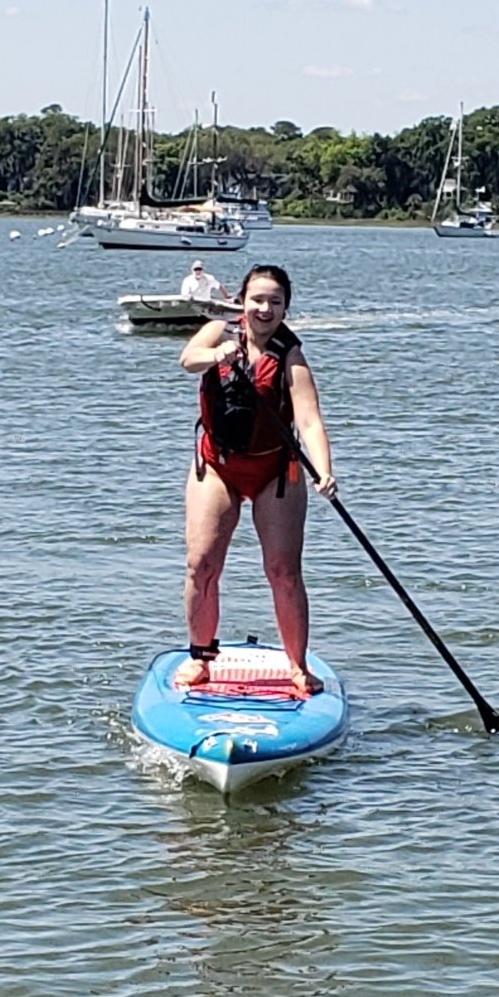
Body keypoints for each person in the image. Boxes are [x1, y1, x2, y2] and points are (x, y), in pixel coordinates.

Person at [173, 264, 337, 694]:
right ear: (242, 302)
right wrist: (218, 356)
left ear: (285, 308)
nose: (265, 309)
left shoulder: (291, 357)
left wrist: (324, 470)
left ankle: (298, 666)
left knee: (283, 570)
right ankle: (200, 657)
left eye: (275, 302)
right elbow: (188, 360)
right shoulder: (219, 332)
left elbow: (309, 421)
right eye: (257, 300)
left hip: (274, 472)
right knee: (201, 564)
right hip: (217, 466)